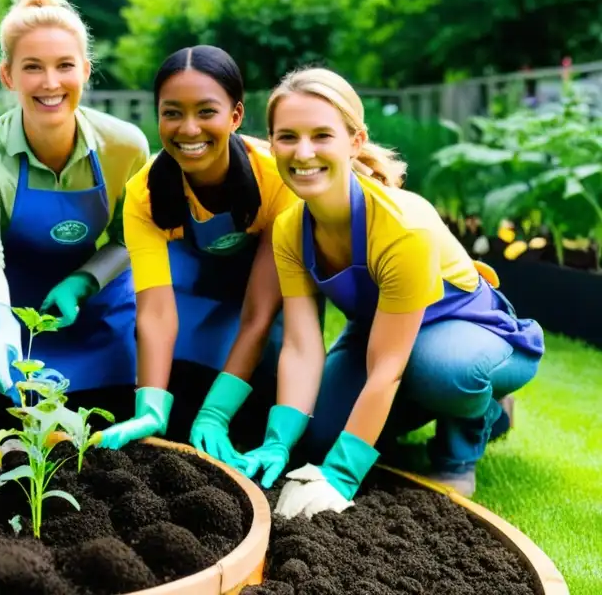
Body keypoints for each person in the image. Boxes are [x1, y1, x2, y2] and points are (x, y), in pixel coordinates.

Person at [252, 66, 543, 519]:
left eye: (321, 135)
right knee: (321, 434)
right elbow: (301, 344)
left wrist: (342, 475)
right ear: (271, 143)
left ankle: (472, 429)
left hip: (470, 331)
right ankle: (437, 404)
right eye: (287, 136)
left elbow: (387, 367)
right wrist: (279, 440)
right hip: (382, 333)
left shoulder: (402, 226)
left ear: (355, 140)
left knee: (442, 372)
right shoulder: (290, 228)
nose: (303, 151)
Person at [0, 0, 150, 430]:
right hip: (6, 302)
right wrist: (1, 330)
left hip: (90, 307)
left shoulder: (124, 146)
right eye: (32, 67)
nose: (50, 82)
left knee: (107, 414)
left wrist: (84, 281)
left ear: (86, 71)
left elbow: (126, 237)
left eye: (64, 66)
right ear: (8, 76)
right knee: (13, 415)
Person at [97, 45, 306, 454]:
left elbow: (259, 313)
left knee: (259, 410)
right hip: (193, 298)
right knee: (181, 399)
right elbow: (155, 312)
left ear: (236, 115)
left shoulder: (276, 177)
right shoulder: (144, 193)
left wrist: (217, 413)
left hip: (268, 304)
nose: (188, 129)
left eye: (206, 112)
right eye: (172, 113)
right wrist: (151, 407)